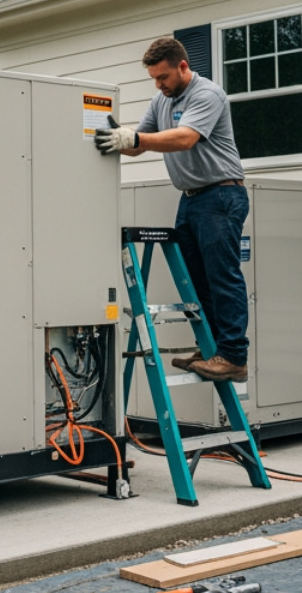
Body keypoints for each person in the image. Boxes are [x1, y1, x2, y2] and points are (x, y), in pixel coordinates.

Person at [94, 37, 248, 383]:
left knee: (223, 276)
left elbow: (184, 138)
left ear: (182, 66)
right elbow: (138, 144)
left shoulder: (207, 95)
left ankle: (234, 356)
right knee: (197, 281)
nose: (159, 84)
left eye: (163, 77)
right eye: (153, 78)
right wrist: (112, 137)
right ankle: (212, 349)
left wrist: (134, 139)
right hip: (191, 199)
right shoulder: (160, 100)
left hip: (221, 196)